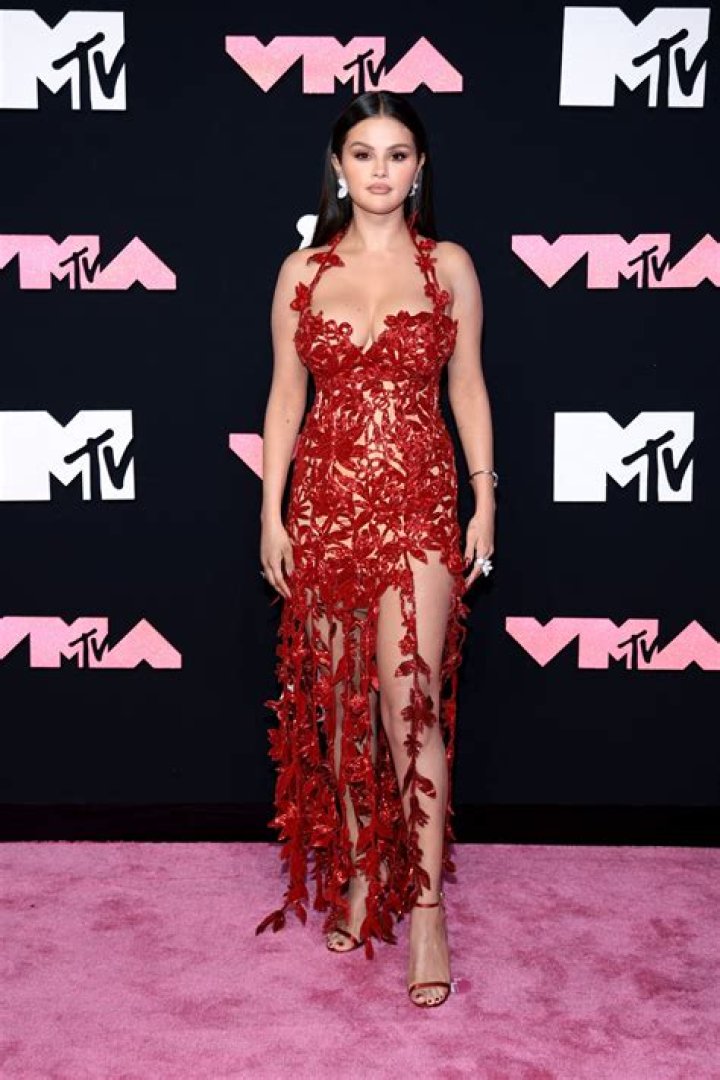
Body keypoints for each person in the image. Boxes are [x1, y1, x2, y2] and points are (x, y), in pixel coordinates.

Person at [257, 90, 495, 1008]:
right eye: (364, 153)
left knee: (410, 706)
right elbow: (286, 397)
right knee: (341, 710)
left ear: (420, 168)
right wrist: (271, 513)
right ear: (339, 166)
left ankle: (427, 909)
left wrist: (485, 495)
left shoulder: (449, 266)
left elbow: (467, 386)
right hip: (323, 505)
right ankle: (362, 871)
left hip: (419, 504)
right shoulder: (303, 270)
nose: (381, 170)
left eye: (398, 154)